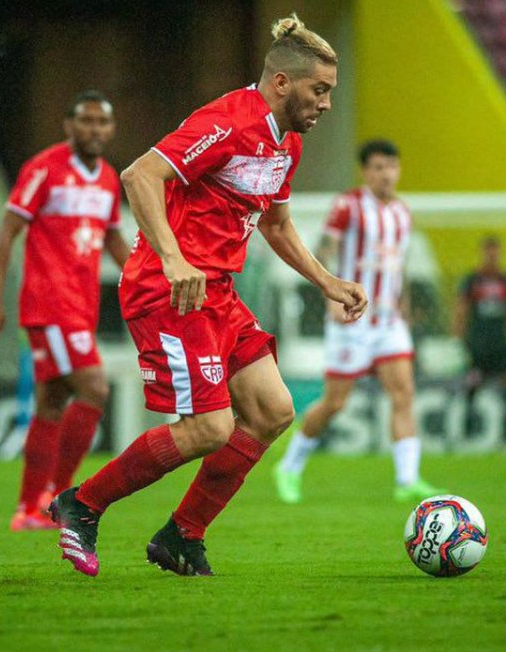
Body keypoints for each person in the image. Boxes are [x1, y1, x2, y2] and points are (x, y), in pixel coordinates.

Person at [49, 13, 367, 578]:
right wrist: (174, 258)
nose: (325, 103)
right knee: (211, 427)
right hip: (167, 288)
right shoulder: (228, 121)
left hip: (215, 291)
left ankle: (181, 535)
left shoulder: (285, 142)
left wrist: (328, 282)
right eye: (319, 90)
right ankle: (82, 504)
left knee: (272, 410)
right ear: (281, 83)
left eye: (330, 93)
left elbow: (275, 225)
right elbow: (140, 176)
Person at [0, 90, 130, 531]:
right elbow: (8, 231)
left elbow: (114, 239)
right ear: (69, 126)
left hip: (80, 306)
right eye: (86, 121)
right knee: (95, 389)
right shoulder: (43, 168)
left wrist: (150, 278)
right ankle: (61, 497)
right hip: (50, 302)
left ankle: (28, 509)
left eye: (102, 123)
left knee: (52, 402)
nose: (95, 130)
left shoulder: (107, 178)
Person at [273, 139, 445, 505]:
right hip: (351, 318)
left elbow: (399, 268)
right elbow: (323, 252)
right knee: (335, 403)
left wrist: (404, 308)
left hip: (388, 321)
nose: (386, 174)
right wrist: (330, 298)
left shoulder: (402, 212)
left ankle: (407, 479)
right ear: (366, 171)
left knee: (404, 395)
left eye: (392, 166)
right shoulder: (348, 207)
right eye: (379, 167)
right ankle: (290, 465)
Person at [453, 236, 506, 439]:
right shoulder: (472, 280)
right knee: (472, 384)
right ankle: (467, 427)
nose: (492, 256)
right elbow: (461, 310)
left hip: (501, 341)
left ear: (499, 253)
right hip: (478, 342)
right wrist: (457, 339)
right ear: (483, 253)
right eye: (489, 251)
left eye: (495, 251)